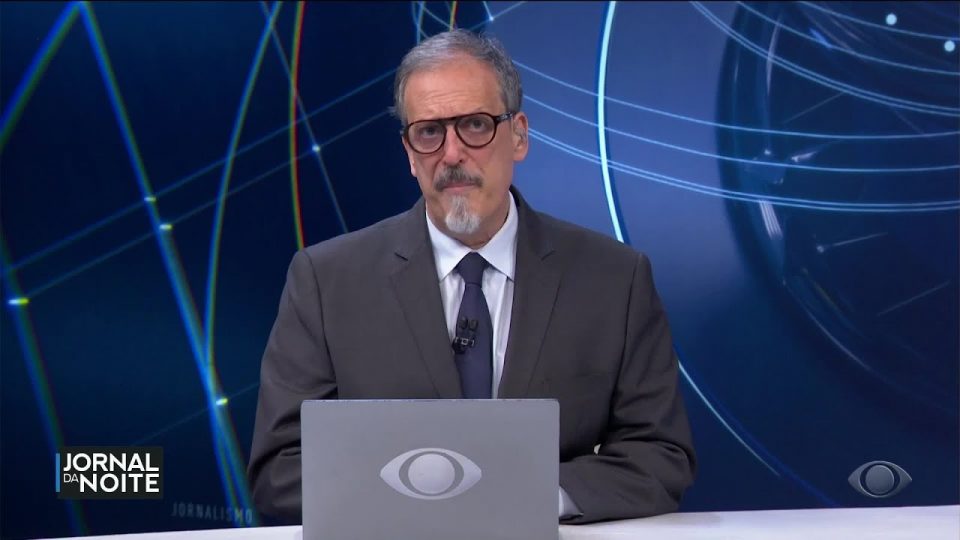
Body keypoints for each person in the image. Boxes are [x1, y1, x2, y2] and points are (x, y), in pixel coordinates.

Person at [247, 28, 696, 525]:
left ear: (519, 135)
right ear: (409, 153)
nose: (452, 153)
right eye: (429, 132)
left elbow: (659, 454)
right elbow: (280, 469)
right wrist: (424, 499)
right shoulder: (326, 281)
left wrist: (534, 497)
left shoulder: (615, 280)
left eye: (476, 125)